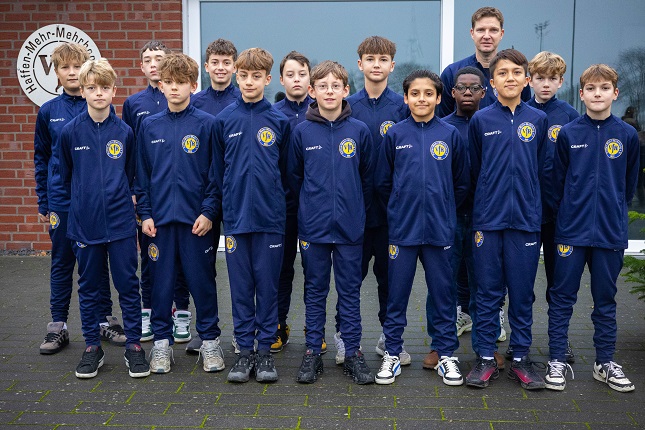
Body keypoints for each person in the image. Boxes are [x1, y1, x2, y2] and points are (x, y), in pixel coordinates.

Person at [545, 64, 639, 393]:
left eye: (604, 88)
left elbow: (628, 185)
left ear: (615, 93)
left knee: (605, 299)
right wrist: (569, 213)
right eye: (591, 88)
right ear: (581, 94)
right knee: (561, 298)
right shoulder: (569, 133)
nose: (598, 94)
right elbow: (556, 184)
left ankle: (604, 362)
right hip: (571, 231)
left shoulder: (627, 135)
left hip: (609, 233)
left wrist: (612, 210)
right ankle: (557, 359)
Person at [374, 70, 469, 386]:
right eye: (415, 93)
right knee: (396, 295)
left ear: (439, 98)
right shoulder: (395, 135)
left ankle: (446, 355)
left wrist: (443, 208)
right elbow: (383, 183)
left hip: (440, 231)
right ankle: (392, 353)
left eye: (429, 93)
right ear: (406, 98)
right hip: (403, 231)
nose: (422, 99)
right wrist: (399, 207)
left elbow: (460, 183)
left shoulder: (450, 135)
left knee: (443, 294)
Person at [58, 58, 149, 379]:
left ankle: (134, 346)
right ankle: (92, 348)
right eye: (92, 87)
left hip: (121, 224)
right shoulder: (70, 132)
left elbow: (131, 175)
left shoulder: (125, 132)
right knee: (89, 288)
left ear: (114, 91)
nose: (99, 93)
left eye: (105, 87)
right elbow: (65, 176)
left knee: (128, 285)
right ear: (82, 91)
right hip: (85, 224)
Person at [136, 53, 225, 374]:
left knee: (202, 283)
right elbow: (141, 176)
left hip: (196, 223)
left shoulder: (208, 125)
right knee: (160, 285)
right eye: (168, 82)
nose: (174, 88)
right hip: (158, 224)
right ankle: (162, 344)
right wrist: (145, 214)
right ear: (160, 85)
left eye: (181, 82)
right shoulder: (149, 126)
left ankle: (210, 342)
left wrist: (209, 212)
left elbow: (216, 175)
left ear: (193, 85)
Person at [465, 49, 547, 390]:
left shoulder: (538, 120)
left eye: (516, 72)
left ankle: (521, 358)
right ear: (492, 82)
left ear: (526, 80)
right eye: (502, 73)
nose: (509, 78)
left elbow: (542, 169)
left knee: (522, 293)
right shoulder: (480, 121)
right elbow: (474, 170)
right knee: (487, 292)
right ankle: (485, 357)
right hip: (488, 220)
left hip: (525, 221)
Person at [289, 60, 375, 385]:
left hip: (350, 229)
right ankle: (313, 352)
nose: (329, 91)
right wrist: (309, 211)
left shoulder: (360, 131)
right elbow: (294, 178)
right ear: (312, 91)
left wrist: (356, 212)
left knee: (350, 292)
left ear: (345, 90)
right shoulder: (302, 131)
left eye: (335, 86)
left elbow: (367, 180)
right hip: (314, 228)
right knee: (315, 290)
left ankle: (352, 352)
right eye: (322, 86)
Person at [34, 43, 121, 355]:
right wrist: (44, 200)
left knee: (98, 259)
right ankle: (57, 326)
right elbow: (41, 157)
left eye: (77, 66)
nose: (72, 73)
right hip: (62, 200)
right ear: (57, 73)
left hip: (95, 201)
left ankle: (104, 320)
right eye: (65, 67)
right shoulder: (49, 112)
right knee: (62, 261)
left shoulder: (100, 107)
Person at [214, 47, 290, 383]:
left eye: (256, 76)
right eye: (243, 75)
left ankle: (265, 352)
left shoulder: (279, 121)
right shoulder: (223, 120)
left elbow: (288, 174)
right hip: (235, 219)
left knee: (268, 288)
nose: (249, 82)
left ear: (267, 79)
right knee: (241, 289)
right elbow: (217, 172)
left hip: (270, 220)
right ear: (236, 75)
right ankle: (244, 352)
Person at [423, 66, 499, 371]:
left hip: (485, 218)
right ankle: (440, 345)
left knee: (485, 285)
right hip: (448, 218)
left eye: (474, 88)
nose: (468, 92)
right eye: (462, 88)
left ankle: (486, 347)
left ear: (484, 92)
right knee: (442, 285)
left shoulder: (491, 124)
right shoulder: (441, 128)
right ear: (452, 93)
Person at [344, 36, 410, 366]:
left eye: (383, 59)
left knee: (389, 280)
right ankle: (345, 337)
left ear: (392, 66)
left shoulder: (402, 107)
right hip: (353, 213)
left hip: (389, 214)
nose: (376, 65)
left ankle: (389, 337)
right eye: (370, 59)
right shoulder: (347, 106)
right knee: (349, 280)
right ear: (360, 64)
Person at [122, 41, 193, 346]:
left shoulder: (185, 100)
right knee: (151, 259)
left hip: (182, 198)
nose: (154, 64)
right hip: (150, 196)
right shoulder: (134, 104)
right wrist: (135, 192)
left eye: (159, 59)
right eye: (148, 59)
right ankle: (148, 311)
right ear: (143, 67)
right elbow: (131, 152)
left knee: (182, 262)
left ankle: (181, 312)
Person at [186, 38, 241, 355]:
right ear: (206, 67)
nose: (221, 68)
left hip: (234, 197)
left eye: (226, 63)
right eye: (215, 63)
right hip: (203, 198)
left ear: (234, 67)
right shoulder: (196, 103)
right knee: (203, 268)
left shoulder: (242, 100)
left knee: (241, 269)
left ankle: (242, 332)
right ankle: (207, 331)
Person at [525, 51, 579, 364]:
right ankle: (520, 340)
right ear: (529, 80)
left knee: (558, 282)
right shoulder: (520, 111)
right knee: (521, 282)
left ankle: (560, 339)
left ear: (561, 81)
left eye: (552, 79)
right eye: (540, 78)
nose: (546, 84)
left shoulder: (570, 116)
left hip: (560, 215)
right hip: (527, 212)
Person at [271, 51, 315, 353]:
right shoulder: (273, 115)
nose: (296, 79)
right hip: (281, 207)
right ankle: (278, 324)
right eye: (290, 74)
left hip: (314, 207)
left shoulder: (321, 111)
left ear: (309, 79)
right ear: (281, 79)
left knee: (315, 272)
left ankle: (314, 328)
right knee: (282, 269)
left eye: (301, 74)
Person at [437, 6, 531, 118]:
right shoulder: (452, 73)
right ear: (472, 33)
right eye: (481, 30)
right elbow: (443, 120)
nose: (486, 36)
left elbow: (525, 115)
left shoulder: (516, 76)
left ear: (501, 34)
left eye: (493, 30)